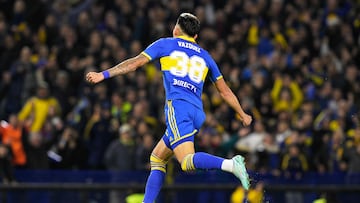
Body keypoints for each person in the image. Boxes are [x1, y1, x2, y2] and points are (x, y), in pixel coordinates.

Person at [86, 13, 252, 203]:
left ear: (176, 30)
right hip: (197, 112)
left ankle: (231, 164)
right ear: (195, 37)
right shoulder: (205, 56)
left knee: (187, 162)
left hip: (178, 108)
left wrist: (104, 74)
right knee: (157, 158)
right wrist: (242, 113)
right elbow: (225, 92)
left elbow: (134, 64)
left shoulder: (166, 44)